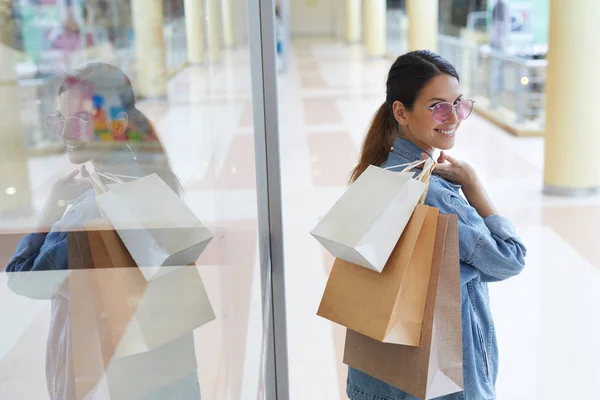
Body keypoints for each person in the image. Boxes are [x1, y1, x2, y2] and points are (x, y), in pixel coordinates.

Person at [5, 62, 201, 400]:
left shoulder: (90, 210)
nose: (66, 134)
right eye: (61, 120)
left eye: (80, 121)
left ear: (119, 125)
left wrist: (50, 212)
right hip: (167, 374)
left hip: (111, 381)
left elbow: (23, 279)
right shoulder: (154, 184)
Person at [346, 51, 527, 400]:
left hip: (376, 374)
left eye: (458, 103)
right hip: (442, 377)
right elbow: (509, 259)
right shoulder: (434, 195)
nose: (454, 117)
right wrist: (474, 186)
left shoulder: (377, 175)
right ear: (401, 112)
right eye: (437, 106)